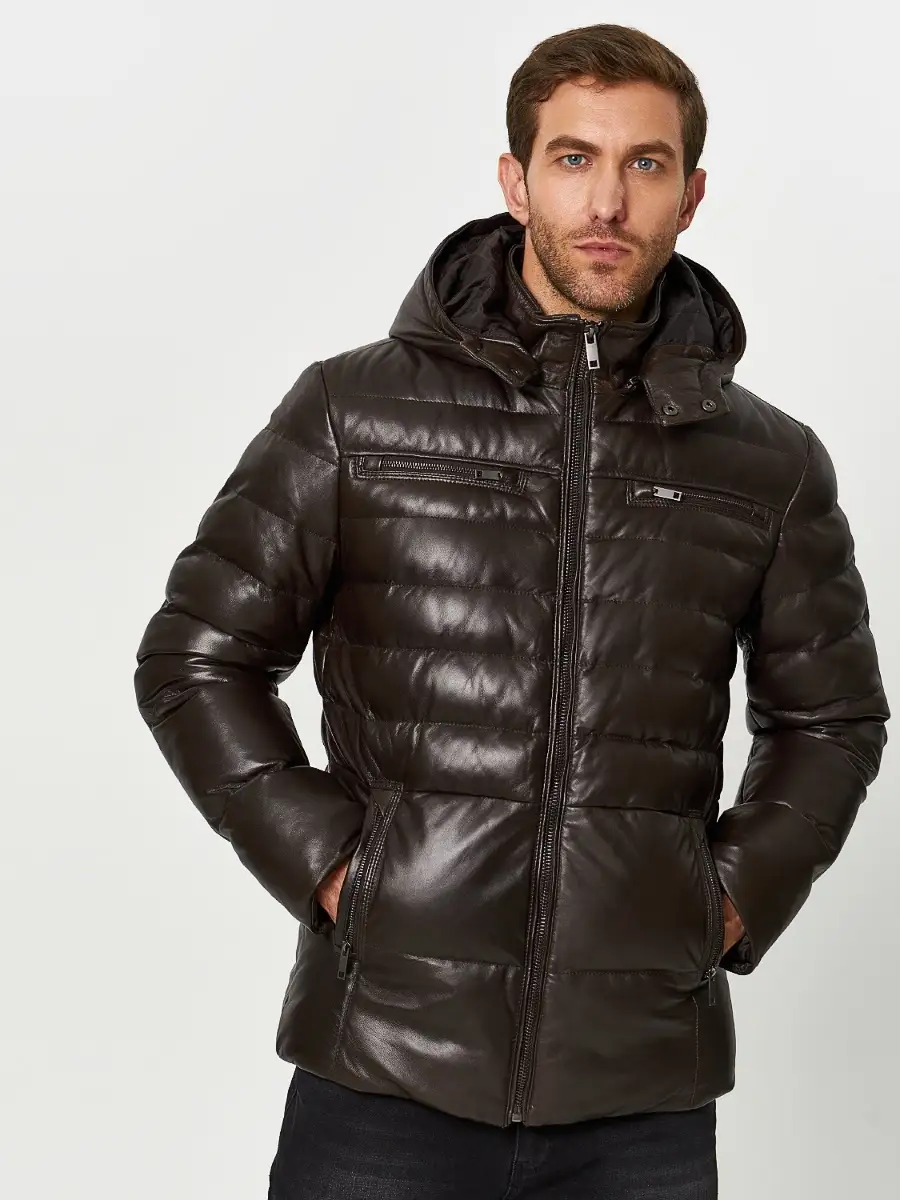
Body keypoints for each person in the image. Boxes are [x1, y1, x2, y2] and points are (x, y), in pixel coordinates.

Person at [133, 21, 890, 1200]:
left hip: (639, 1097)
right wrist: (341, 873)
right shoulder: (353, 413)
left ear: (690, 196)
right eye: (573, 158)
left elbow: (833, 720)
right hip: (382, 1069)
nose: (608, 201)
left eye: (645, 164)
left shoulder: (768, 463)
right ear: (515, 179)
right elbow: (195, 658)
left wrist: (727, 905)